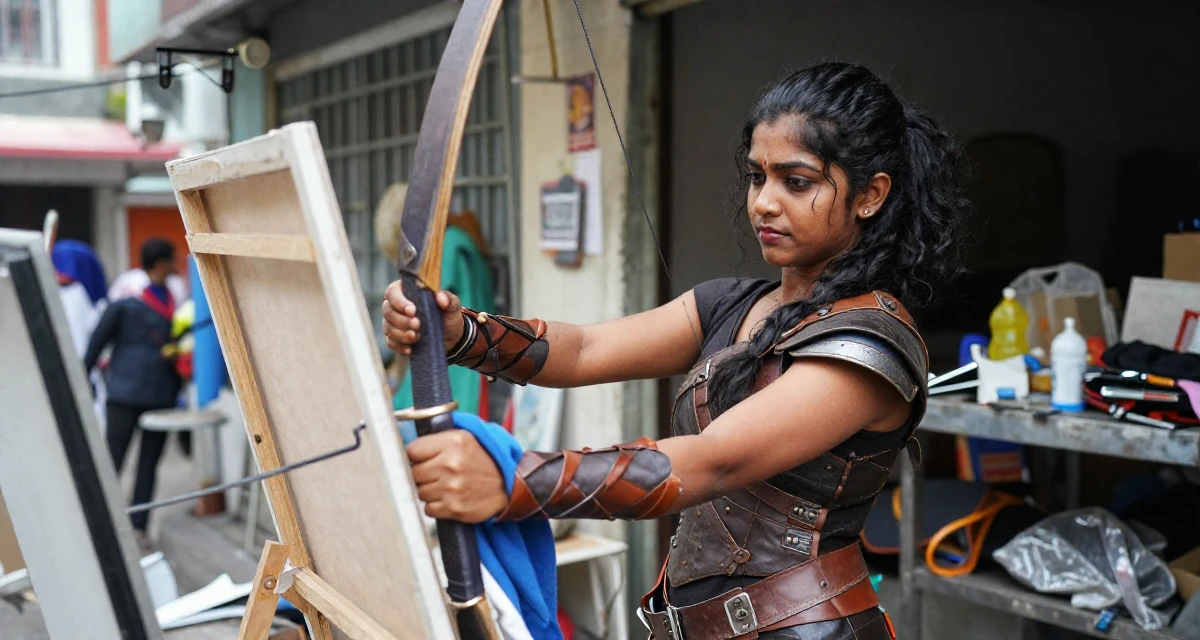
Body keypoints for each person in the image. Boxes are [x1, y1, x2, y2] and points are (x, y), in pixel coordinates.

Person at [383, 63, 966, 639]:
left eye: (797, 182)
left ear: (870, 196)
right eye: (758, 176)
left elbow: (715, 461)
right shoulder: (730, 304)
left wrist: (513, 482)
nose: (763, 201)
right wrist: (462, 331)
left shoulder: (868, 342)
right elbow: (584, 350)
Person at [84, 238, 184, 547]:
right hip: (127, 396)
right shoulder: (126, 303)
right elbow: (97, 343)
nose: (175, 265)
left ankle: (138, 527)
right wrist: (82, 379)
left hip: (157, 395)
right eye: (171, 259)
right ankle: (101, 524)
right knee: (114, 461)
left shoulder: (172, 300)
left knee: (147, 465)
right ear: (160, 263)